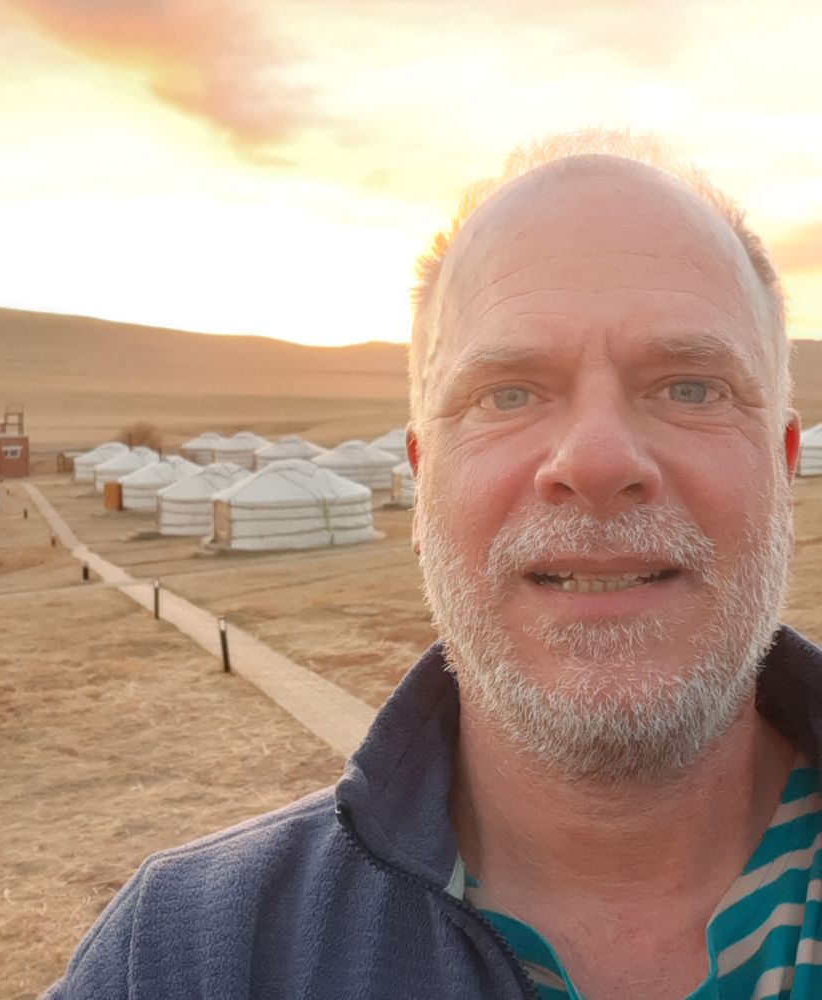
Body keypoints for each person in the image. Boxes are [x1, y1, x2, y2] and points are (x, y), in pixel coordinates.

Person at [44, 131, 822, 1000]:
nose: (597, 459)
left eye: (690, 386)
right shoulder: (191, 958)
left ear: (784, 463)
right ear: (421, 481)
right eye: (507, 394)